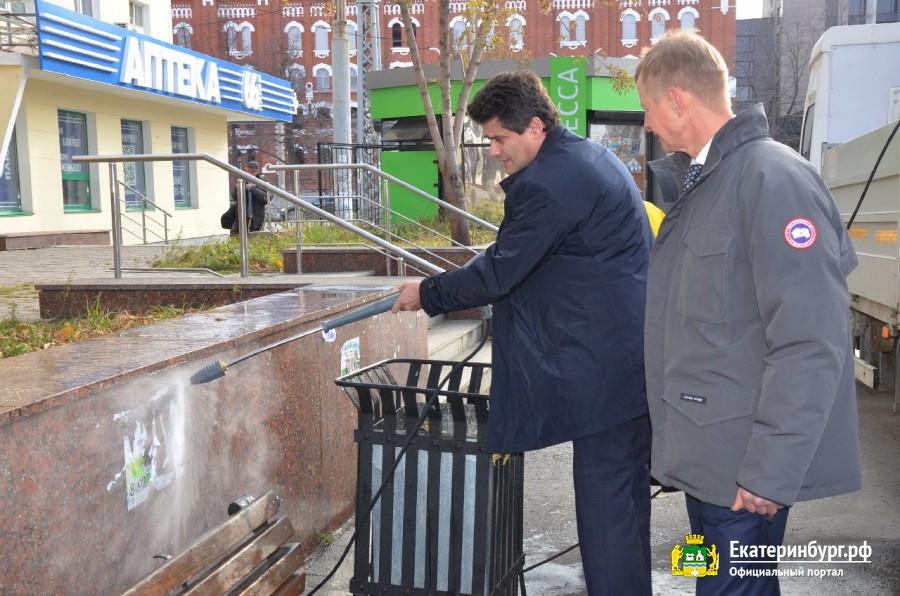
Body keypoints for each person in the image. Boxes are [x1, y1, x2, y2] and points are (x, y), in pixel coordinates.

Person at [391, 71, 653, 595]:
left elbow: (501, 272)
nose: (493, 151)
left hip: (606, 376)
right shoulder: (579, 158)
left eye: (499, 139)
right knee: (621, 511)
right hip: (621, 364)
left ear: (535, 127)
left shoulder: (550, 183)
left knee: (607, 517)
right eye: (488, 140)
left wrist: (428, 292)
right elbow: (522, 254)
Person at [636, 31, 861, 595]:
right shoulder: (707, 180)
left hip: (742, 475)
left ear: (678, 100)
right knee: (707, 583)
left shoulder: (770, 178)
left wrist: (769, 472)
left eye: (648, 109)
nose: (647, 125)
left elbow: (811, 340)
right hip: (704, 464)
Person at [229, 160, 268, 233]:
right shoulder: (242, 180)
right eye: (248, 171)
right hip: (243, 216)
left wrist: (253, 189)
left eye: (252, 172)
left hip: (257, 217)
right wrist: (237, 188)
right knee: (239, 236)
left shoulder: (262, 181)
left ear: (256, 171)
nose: (249, 174)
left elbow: (267, 198)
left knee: (255, 238)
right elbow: (234, 197)